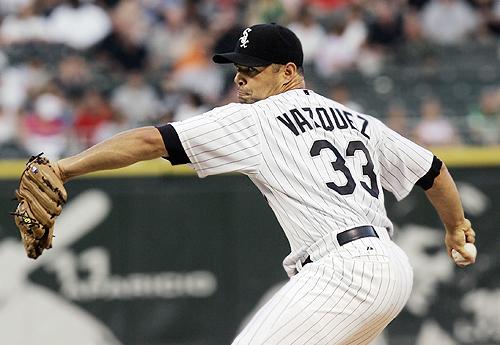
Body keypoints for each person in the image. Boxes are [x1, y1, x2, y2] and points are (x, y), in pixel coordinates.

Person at [48, 23, 476, 344]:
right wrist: (455, 226)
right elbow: (432, 170)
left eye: (251, 69)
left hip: (345, 269)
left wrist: (64, 168)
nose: (239, 78)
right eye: (237, 67)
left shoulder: (256, 118)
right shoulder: (361, 121)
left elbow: (148, 141)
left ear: (288, 72)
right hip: (390, 268)